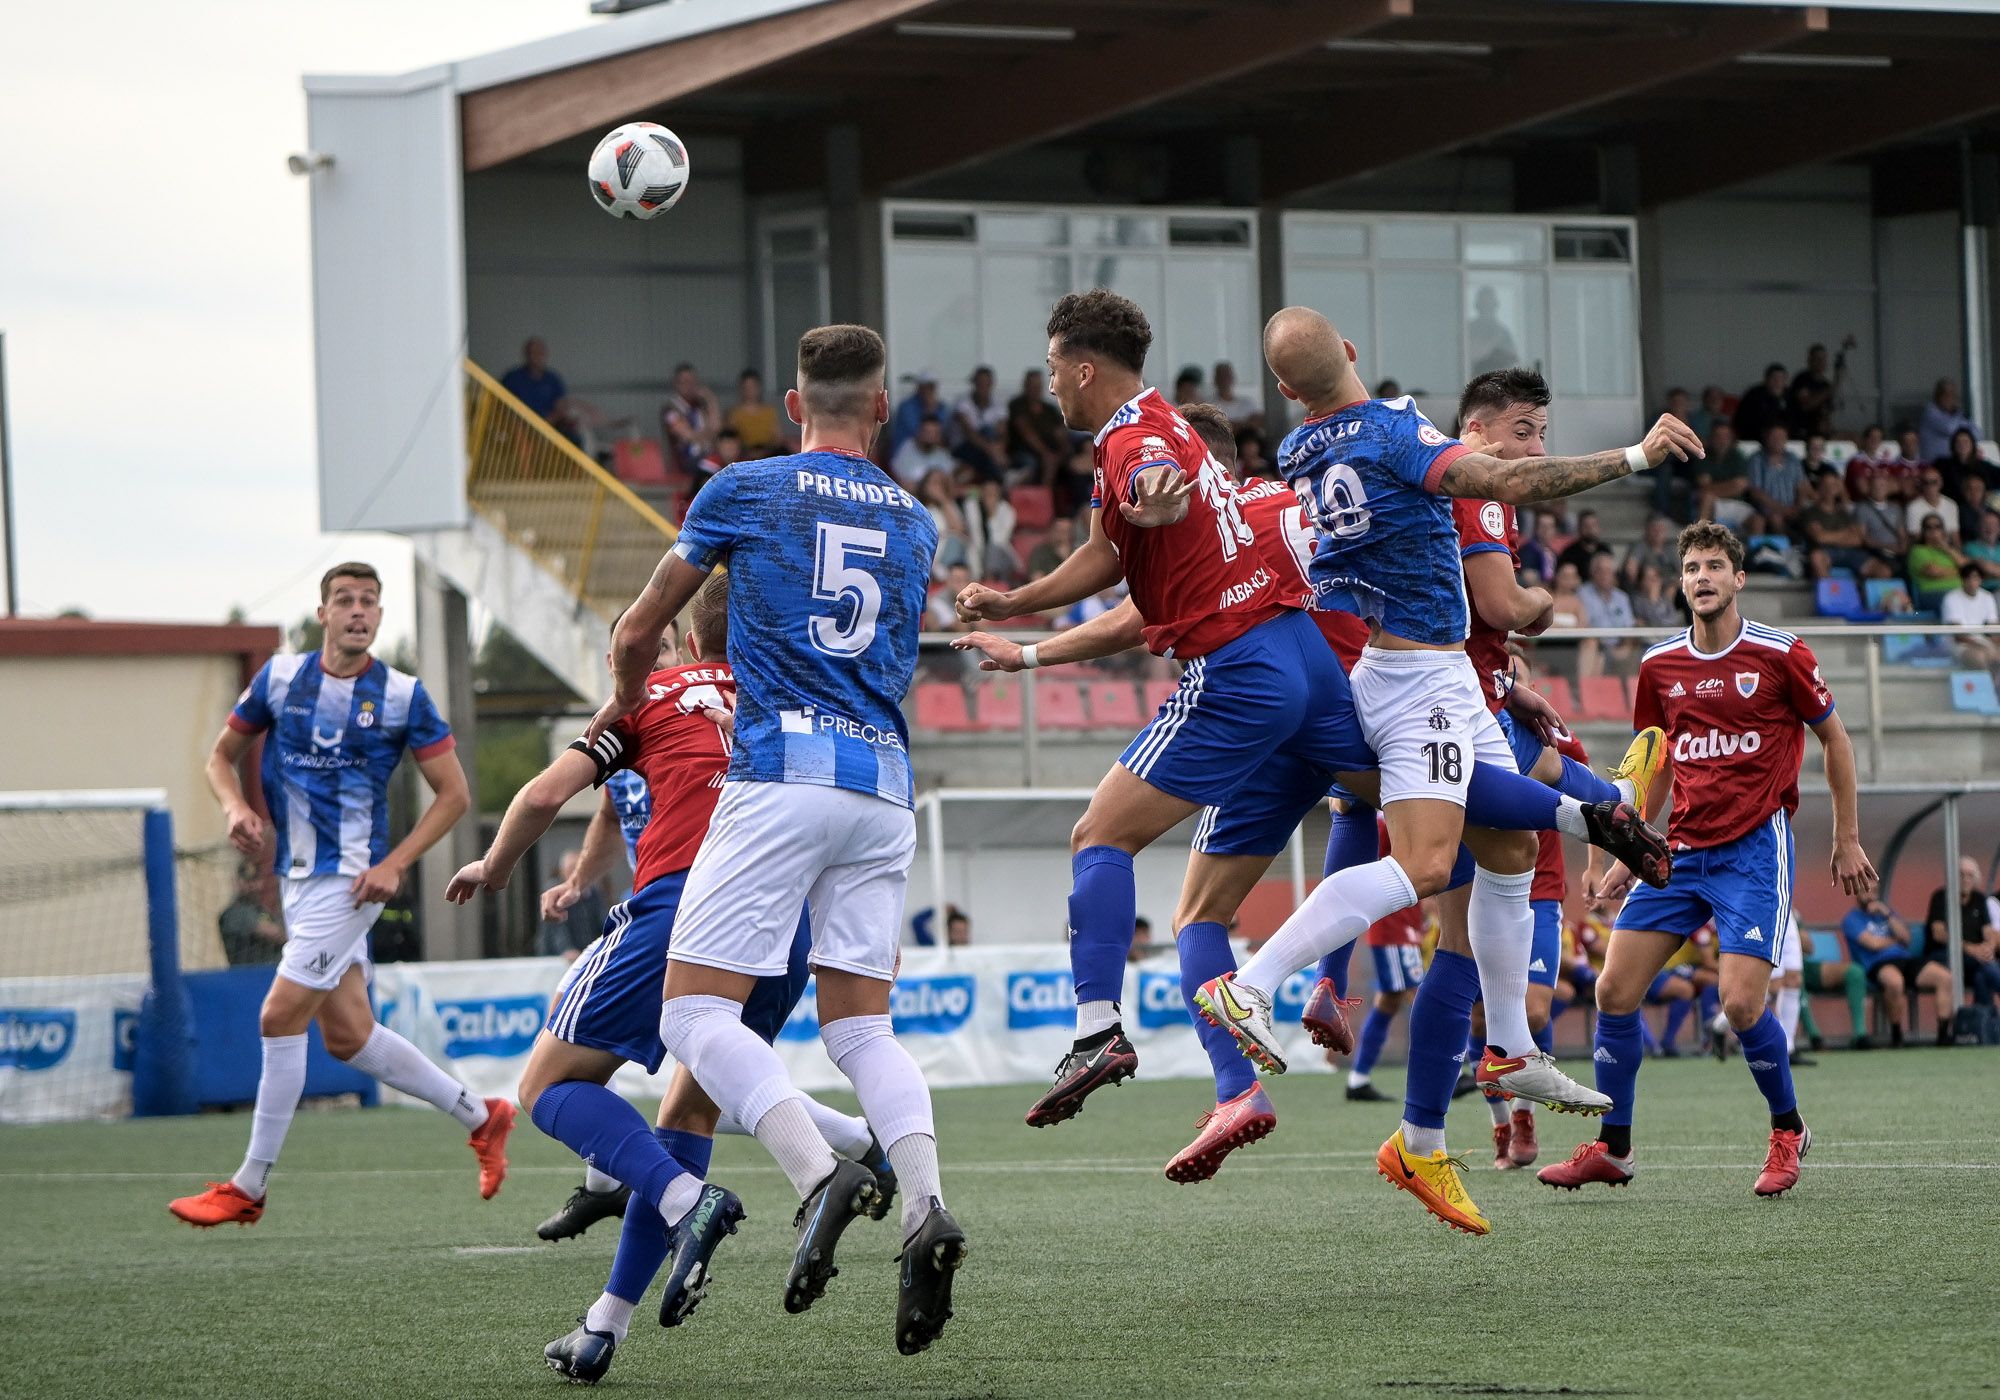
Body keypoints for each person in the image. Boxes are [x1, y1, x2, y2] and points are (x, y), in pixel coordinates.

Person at [950, 391, 1662, 1193]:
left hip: (1270, 719)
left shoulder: (1206, 517)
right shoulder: (1299, 498)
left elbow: (1132, 611)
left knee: (1197, 911)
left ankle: (1238, 1081)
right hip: (1353, 703)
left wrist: (1032, 651)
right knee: (1470, 851)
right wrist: (1497, 667)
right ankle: (1449, 1050)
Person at [584, 323, 964, 1354]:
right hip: (882, 785)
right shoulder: (919, 521)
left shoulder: (743, 488)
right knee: (861, 1029)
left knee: (693, 1012)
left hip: (779, 774)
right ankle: (924, 1201)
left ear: (795, 406)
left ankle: (816, 1168)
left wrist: (626, 703)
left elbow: (635, 631)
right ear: (881, 408)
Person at [445, 573, 892, 1382]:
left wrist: (494, 863)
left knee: (549, 1088)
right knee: (687, 1107)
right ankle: (602, 1328)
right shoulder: (793, 695)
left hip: (687, 912)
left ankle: (692, 1203)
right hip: (784, 929)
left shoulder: (650, 696)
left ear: (686, 641)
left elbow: (547, 793)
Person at [1540, 523, 1875, 1201]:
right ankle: (1615, 1148)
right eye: (1692, 566)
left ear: (1738, 579)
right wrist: (1629, 852)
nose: (1701, 577)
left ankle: (1788, 1130)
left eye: (1715, 566)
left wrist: (1847, 836)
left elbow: (1835, 740)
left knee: (1743, 1004)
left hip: (1753, 851)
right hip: (1682, 851)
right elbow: (1655, 759)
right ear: (1681, 580)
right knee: (1612, 991)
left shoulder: (1782, 654)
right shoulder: (1660, 665)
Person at [169, 564, 501, 1228]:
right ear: (322, 613)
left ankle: (249, 1186)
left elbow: (456, 795)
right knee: (349, 1036)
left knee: (277, 1017)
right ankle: (482, 1115)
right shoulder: (280, 679)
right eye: (345, 600)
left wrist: (397, 864)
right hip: (297, 881)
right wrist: (235, 807)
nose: (358, 611)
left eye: (369, 603)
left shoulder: (404, 695)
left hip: (351, 883)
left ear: (379, 618)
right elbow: (218, 757)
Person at [1338, 818, 1426, 1105]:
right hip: (1393, 923)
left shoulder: (1401, 811)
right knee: (1420, 995)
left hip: (1405, 920)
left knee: (1390, 999)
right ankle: (1452, 1069)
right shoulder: (1382, 820)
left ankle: (1358, 1079)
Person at [1924, 857, 2000, 1043]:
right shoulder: (1941, 897)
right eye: (1961, 874)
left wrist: (1988, 948)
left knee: (1982, 976)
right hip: (1943, 956)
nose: (1965, 879)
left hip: (1975, 961)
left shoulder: (1979, 899)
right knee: (1986, 967)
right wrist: (1971, 949)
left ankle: (1982, 1030)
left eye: (1969, 875)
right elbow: (1939, 934)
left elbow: (1988, 931)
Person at [1840, 894, 1920, 1049]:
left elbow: (1906, 938)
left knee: (1943, 977)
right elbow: (1873, 944)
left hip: (1904, 959)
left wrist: (1888, 914)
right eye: (1865, 888)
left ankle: (1944, 1036)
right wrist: (1896, 941)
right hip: (1877, 963)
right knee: (1895, 982)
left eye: (1873, 889)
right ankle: (1897, 1035)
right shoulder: (1852, 919)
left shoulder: (1887, 913)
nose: (1869, 893)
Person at [1802, 469, 1892, 581]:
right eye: (1826, 484)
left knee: (1883, 571)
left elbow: (1857, 539)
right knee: (1816, 557)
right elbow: (1819, 537)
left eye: (1834, 485)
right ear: (1819, 487)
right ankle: (1831, 594)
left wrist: (1829, 535)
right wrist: (1845, 534)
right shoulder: (1811, 511)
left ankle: (1861, 595)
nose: (1830, 488)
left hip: (1851, 553)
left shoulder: (1844, 512)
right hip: (1826, 552)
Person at [501, 337, 580, 443]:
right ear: (526, 354)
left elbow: (561, 406)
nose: (536, 356)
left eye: (539, 352)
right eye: (532, 352)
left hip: (549, 426)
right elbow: (503, 405)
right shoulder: (512, 378)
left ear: (545, 354)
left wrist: (547, 422)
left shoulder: (553, 379)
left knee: (574, 437)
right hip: (520, 426)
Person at [537, 851, 606, 961]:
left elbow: (602, 921)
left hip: (587, 954)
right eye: (571, 869)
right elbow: (556, 926)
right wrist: (566, 949)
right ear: (562, 872)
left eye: (578, 869)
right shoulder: (554, 891)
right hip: (557, 957)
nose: (574, 874)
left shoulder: (593, 892)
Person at [1008, 369, 1072, 487]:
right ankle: (1043, 497)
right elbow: (1027, 433)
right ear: (1025, 386)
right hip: (1024, 450)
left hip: (1049, 447)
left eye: (1038, 386)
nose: (1035, 389)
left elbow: (1060, 433)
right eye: (1032, 385)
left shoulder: (1049, 409)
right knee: (1036, 464)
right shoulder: (1017, 405)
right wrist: (1046, 454)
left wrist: (1064, 452)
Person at [1579, 552, 1635, 680]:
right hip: (1598, 646)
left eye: (1609, 571)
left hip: (1620, 646)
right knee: (1599, 656)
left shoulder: (1622, 597)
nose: (1605, 575)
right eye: (1600, 571)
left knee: (1637, 653)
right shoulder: (1583, 593)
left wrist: (1625, 648)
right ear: (1593, 573)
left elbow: (1630, 628)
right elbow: (1584, 625)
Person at [217, 864, 283, 966]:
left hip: (270, 972)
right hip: (249, 976)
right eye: (247, 880)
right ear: (237, 882)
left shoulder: (260, 910)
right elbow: (274, 933)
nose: (252, 885)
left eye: (255, 879)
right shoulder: (235, 912)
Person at [661, 363, 722, 475]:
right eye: (685, 382)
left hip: (709, 454)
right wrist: (708, 434)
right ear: (676, 384)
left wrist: (711, 400)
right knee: (715, 467)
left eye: (693, 382)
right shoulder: (670, 410)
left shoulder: (702, 405)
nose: (690, 386)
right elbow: (689, 436)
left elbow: (717, 429)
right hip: (686, 460)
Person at [951, 366, 1009, 478]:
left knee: (990, 439)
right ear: (974, 384)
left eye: (986, 383)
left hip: (986, 450)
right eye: (980, 383)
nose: (983, 387)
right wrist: (993, 452)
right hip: (963, 447)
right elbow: (969, 434)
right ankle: (1003, 478)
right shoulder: (963, 403)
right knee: (986, 432)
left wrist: (999, 449)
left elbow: (1003, 432)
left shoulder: (998, 404)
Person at [1746, 426, 1806, 535]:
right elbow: (1756, 493)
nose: (1778, 440)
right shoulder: (1757, 459)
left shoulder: (1793, 459)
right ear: (1767, 438)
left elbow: (1801, 486)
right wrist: (1783, 509)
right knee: (1776, 518)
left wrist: (1798, 507)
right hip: (1767, 511)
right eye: (1774, 437)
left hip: (1793, 509)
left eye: (1781, 437)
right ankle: (1783, 549)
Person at [1940, 563, 2000, 669]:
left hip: (1982, 642)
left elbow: (1993, 629)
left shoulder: (1987, 597)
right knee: (1980, 658)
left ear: (1981, 580)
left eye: (1975, 578)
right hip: (1957, 644)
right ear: (1962, 580)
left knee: (1995, 655)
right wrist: (1983, 646)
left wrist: (1994, 646)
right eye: (1968, 579)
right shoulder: (1951, 598)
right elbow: (1959, 636)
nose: (1972, 583)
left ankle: (1994, 684)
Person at [1908, 515, 1967, 610]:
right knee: (1954, 601)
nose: (1933, 530)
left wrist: (1947, 548)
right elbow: (1933, 571)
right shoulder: (1918, 550)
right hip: (1931, 593)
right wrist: (1960, 572)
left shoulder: (1950, 551)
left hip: (1959, 591)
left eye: (1937, 526)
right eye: (1929, 527)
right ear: (1923, 531)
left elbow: (1966, 566)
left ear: (1943, 530)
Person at [1918, 377, 1978, 464]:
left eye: (1952, 395)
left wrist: (1958, 417)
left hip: (1953, 464)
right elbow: (1949, 428)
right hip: (1933, 464)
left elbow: (1978, 434)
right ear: (1937, 396)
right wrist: (1960, 419)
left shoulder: (1958, 414)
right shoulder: (1930, 412)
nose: (1950, 398)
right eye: (1946, 394)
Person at [726, 369, 783, 455]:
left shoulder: (769, 412)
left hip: (768, 453)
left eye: (753, 386)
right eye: (747, 387)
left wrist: (766, 450)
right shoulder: (735, 414)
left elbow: (778, 438)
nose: (750, 391)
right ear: (741, 389)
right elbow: (731, 440)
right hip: (744, 454)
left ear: (759, 387)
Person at [892, 417, 956, 491]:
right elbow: (902, 482)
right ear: (919, 432)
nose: (930, 437)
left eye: (934, 433)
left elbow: (950, 484)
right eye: (927, 432)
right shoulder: (907, 447)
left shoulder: (942, 454)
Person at [1732, 363, 1789, 444]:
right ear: (1766, 379)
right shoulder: (1753, 395)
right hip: (1754, 441)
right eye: (1774, 378)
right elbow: (1742, 421)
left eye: (1781, 379)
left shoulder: (1790, 396)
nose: (1777, 382)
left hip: (1784, 442)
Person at [890, 371, 942, 458]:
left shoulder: (941, 407)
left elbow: (940, 432)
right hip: (904, 453)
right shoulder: (906, 407)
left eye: (931, 387)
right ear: (919, 387)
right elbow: (922, 433)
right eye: (926, 386)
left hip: (929, 452)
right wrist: (929, 408)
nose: (929, 390)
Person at [1556, 509, 1610, 578]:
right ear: (1579, 528)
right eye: (1586, 526)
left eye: (1593, 525)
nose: (1590, 529)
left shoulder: (1605, 549)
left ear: (1598, 527)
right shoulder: (1569, 553)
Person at [1027, 514, 1076, 579]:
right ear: (1051, 531)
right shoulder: (1040, 552)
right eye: (1059, 531)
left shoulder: (1077, 552)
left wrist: (1065, 559)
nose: (1062, 536)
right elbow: (1037, 581)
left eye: (1066, 532)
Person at [1211, 361, 1260, 425]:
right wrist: (1245, 423)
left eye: (1227, 376)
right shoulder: (1210, 405)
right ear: (1215, 380)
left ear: (1233, 378)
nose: (1224, 380)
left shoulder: (1247, 403)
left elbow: (1258, 422)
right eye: (1221, 376)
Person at [1966, 509, 2000, 589]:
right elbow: (1986, 569)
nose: (1990, 528)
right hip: (1980, 592)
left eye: (1994, 524)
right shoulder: (1970, 547)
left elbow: (1989, 571)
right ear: (1978, 527)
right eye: (1986, 524)